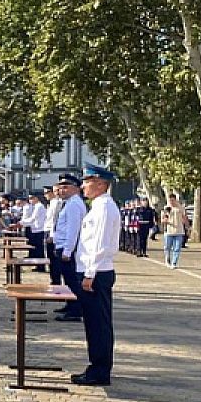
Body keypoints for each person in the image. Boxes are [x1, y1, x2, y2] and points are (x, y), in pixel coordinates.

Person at [72, 164, 122, 386]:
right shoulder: (98, 206)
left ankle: (100, 370)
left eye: (87, 181)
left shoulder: (104, 207)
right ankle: (96, 366)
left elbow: (100, 244)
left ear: (100, 184)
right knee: (94, 323)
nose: (83, 186)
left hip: (97, 272)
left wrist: (89, 273)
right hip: (94, 270)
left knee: (99, 324)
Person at [51, 173, 87, 322]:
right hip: (62, 246)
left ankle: (75, 310)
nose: (62, 190)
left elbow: (73, 229)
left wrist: (67, 250)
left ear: (76, 189)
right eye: (60, 187)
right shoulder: (69, 203)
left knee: (72, 280)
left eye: (66, 187)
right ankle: (70, 304)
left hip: (68, 248)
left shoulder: (74, 204)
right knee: (68, 280)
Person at [162, 192, 189, 268]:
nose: (172, 202)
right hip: (169, 231)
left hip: (179, 231)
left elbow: (184, 218)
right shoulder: (166, 208)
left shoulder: (180, 208)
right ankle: (167, 260)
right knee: (168, 247)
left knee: (177, 248)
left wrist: (187, 227)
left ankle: (174, 263)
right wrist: (165, 220)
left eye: (173, 200)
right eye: (170, 200)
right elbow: (163, 219)